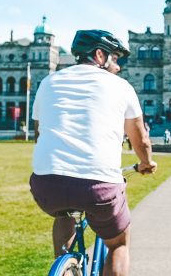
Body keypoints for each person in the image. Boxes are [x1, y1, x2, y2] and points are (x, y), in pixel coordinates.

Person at [30, 29, 156, 276]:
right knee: (119, 244)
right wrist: (146, 162)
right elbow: (140, 139)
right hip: (98, 186)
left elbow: (39, 133)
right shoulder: (121, 87)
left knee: (63, 212)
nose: (119, 66)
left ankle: (65, 266)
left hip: (46, 184)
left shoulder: (48, 82)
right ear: (100, 55)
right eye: (116, 59)